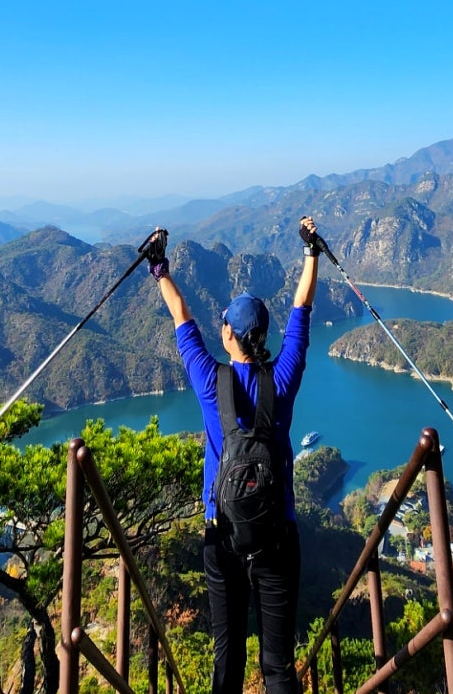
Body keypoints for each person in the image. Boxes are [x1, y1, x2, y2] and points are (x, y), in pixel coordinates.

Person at [147, 217, 321, 694]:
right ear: (262, 336)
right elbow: (301, 311)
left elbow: (182, 317)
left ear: (227, 334)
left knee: (227, 657)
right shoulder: (282, 379)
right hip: (277, 538)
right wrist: (312, 253)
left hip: (221, 539)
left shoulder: (209, 381)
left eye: (222, 323)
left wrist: (159, 266)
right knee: (278, 665)